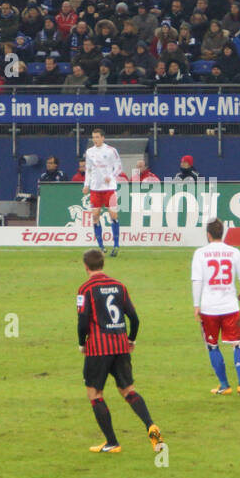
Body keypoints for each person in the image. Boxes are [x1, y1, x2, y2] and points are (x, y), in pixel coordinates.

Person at [76, 248, 163, 454]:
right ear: (103, 264)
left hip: (98, 347)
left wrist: (82, 342)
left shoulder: (85, 289)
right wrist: (131, 339)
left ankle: (112, 442)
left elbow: (82, 320)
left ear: (86, 266)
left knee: (95, 393)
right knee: (128, 390)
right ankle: (151, 426)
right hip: (120, 345)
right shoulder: (119, 286)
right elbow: (134, 318)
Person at [191, 219, 240, 396]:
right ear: (223, 233)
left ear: (208, 234)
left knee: (212, 344)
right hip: (230, 307)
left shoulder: (200, 253)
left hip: (208, 308)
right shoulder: (234, 252)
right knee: (238, 343)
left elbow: (197, 280)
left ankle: (224, 385)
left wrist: (196, 305)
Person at [83, 127, 123, 255]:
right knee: (95, 216)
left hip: (109, 188)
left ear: (103, 138)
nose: (95, 140)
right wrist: (86, 184)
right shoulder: (89, 152)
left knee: (113, 215)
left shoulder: (111, 151)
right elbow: (88, 169)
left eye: (97, 137)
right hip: (95, 188)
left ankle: (116, 245)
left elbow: (119, 167)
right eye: (93, 137)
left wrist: (110, 177)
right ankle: (101, 247)